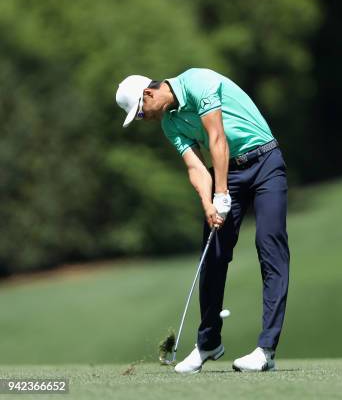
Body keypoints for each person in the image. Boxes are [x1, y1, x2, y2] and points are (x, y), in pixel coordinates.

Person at [115, 68, 290, 372]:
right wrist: (209, 204)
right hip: (231, 172)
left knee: (269, 246)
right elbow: (196, 168)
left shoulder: (198, 82)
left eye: (141, 114)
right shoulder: (170, 124)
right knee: (212, 255)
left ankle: (266, 349)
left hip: (265, 162)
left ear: (149, 94)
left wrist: (221, 193)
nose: (144, 119)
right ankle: (209, 343)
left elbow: (217, 138)